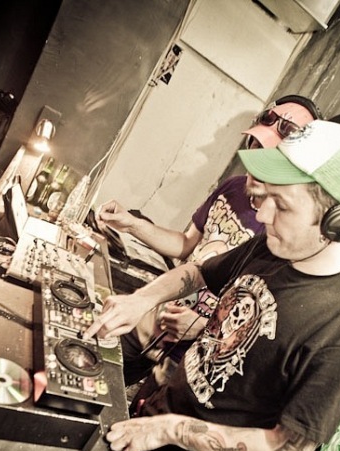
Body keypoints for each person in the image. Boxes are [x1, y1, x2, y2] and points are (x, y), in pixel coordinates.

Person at [83, 117, 340, 451]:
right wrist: (142, 299)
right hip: (149, 424)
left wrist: (172, 430)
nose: (262, 216)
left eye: (282, 205)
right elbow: (197, 271)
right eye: (266, 197)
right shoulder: (271, 247)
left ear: (338, 223)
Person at [95, 95, 322, 388]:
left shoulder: (284, 234)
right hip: (152, 322)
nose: (255, 163)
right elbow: (188, 246)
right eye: (256, 147)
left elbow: (262, 328)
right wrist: (132, 225)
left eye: (270, 157)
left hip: (188, 359)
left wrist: (203, 327)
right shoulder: (233, 188)